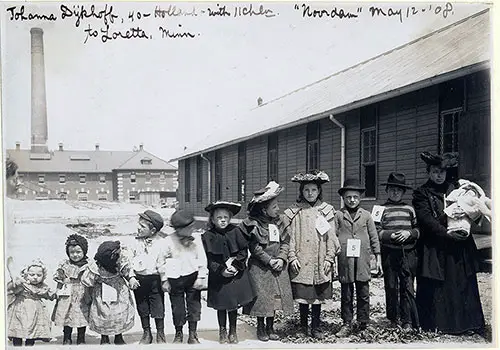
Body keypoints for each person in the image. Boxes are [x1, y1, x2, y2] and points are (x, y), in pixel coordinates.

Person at [412, 151, 487, 335]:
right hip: (435, 245)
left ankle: (466, 324)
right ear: (428, 172)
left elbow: (472, 208)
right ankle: (438, 324)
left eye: (442, 172)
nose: (439, 176)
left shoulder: (455, 190)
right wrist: (446, 233)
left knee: (461, 281)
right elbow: (426, 220)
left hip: (459, 244)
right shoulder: (421, 193)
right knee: (437, 283)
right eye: (435, 172)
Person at [285, 170, 340, 339]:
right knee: (304, 296)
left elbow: (332, 237)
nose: (310, 193)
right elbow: (290, 236)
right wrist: (292, 256)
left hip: (320, 257)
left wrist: (330, 258)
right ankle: (302, 326)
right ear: (301, 191)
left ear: (319, 191)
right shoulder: (294, 212)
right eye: (306, 190)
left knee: (317, 297)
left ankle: (316, 326)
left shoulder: (327, 211)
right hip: (302, 258)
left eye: (314, 190)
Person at [240, 181, 294, 342]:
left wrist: (281, 258)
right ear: (264, 210)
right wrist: (269, 260)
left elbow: (286, 242)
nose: (278, 209)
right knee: (262, 299)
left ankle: (271, 327)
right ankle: (261, 327)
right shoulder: (253, 224)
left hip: (278, 266)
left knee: (275, 298)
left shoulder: (280, 222)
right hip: (260, 268)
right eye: (274, 206)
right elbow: (254, 247)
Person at [201, 201, 256, 344]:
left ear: (230, 218)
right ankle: (222, 331)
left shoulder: (236, 231)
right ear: (212, 219)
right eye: (219, 218)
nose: (223, 220)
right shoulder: (208, 235)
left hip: (235, 275)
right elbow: (210, 258)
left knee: (233, 304)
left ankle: (233, 331)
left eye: (225, 217)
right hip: (219, 276)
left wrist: (237, 266)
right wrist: (221, 271)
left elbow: (243, 251)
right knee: (221, 305)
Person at [334, 179, 382, 338]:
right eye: (348, 197)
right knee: (346, 293)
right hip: (345, 260)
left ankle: (363, 323)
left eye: (355, 197)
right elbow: (333, 237)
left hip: (362, 260)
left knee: (363, 291)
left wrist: (378, 258)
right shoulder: (339, 215)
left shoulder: (366, 216)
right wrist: (333, 259)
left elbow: (374, 237)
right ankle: (346, 322)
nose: (352, 200)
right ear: (343, 198)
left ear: (360, 198)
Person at [375, 172, 419, 330]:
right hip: (389, 252)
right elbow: (375, 231)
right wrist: (389, 235)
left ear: (403, 192)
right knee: (391, 285)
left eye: (399, 190)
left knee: (407, 285)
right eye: (392, 189)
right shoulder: (379, 209)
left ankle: (407, 319)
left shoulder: (410, 209)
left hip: (407, 252)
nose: (395, 193)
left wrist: (409, 233)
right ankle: (393, 318)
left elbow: (418, 230)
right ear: (387, 190)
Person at [162, 209, 208, 344]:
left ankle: (193, 334)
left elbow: (202, 260)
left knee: (194, 306)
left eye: (193, 226)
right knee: (177, 307)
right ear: (178, 229)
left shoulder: (197, 240)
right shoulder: (168, 241)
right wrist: (164, 279)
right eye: (190, 227)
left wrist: (201, 276)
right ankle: (178, 333)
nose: (193, 229)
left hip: (193, 277)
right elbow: (161, 261)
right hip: (175, 279)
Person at [126, 210, 169, 344]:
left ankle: (160, 333)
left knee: (158, 306)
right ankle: (147, 333)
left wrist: (165, 280)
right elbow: (127, 260)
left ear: (153, 230)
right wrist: (131, 277)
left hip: (155, 280)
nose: (139, 228)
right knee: (142, 306)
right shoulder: (134, 243)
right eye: (139, 224)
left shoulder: (162, 243)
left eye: (143, 226)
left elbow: (165, 263)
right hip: (139, 280)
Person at [81, 241, 136, 345]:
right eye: (118, 254)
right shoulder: (96, 267)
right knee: (103, 314)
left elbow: (127, 270)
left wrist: (131, 279)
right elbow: (88, 281)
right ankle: (104, 337)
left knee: (120, 314)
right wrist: (87, 294)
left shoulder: (120, 261)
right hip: (102, 293)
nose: (121, 255)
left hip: (119, 292)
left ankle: (118, 336)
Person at [52, 234, 92, 344]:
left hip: (82, 294)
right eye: (72, 252)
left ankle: (81, 337)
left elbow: (92, 280)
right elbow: (59, 280)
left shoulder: (88, 265)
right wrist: (58, 289)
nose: (75, 255)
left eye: (78, 252)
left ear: (84, 251)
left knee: (82, 316)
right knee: (67, 315)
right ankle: (67, 337)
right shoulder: (65, 264)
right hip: (67, 294)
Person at [7, 259, 57, 346]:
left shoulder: (42, 286)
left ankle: (29, 346)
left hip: (36, 312)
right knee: (18, 330)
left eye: (39, 275)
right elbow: (10, 290)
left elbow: (49, 294)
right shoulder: (22, 284)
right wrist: (14, 283)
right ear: (26, 275)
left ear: (43, 276)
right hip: (21, 309)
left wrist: (55, 295)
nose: (35, 277)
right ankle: (17, 345)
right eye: (32, 274)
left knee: (32, 332)